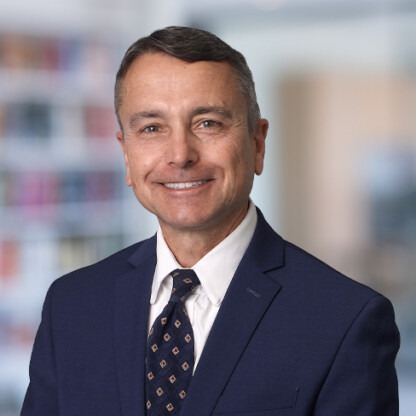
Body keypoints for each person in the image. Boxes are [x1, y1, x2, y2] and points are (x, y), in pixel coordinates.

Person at [21, 26, 400, 416]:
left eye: (208, 123)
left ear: (257, 143)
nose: (180, 154)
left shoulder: (344, 320)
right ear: (126, 154)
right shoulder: (72, 306)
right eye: (152, 128)